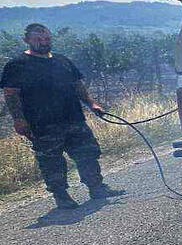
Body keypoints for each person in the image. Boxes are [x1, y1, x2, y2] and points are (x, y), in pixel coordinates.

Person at [1, 23, 123, 209]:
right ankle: (62, 197)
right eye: (38, 39)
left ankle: (97, 188)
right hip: (42, 124)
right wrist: (19, 119)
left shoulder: (62, 60)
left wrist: (92, 103)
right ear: (27, 41)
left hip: (74, 119)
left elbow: (78, 85)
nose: (43, 42)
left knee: (87, 154)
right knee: (51, 161)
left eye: (46, 39)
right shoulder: (17, 65)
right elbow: (11, 93)